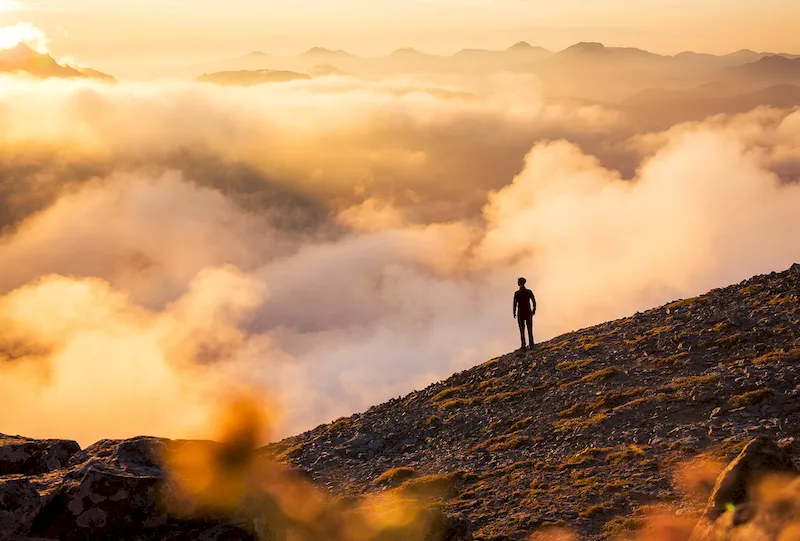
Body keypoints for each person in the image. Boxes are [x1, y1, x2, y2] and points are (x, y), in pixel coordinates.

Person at [513, 277, 536, 350]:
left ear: (519, 283)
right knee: (529, 329)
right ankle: (531, 344)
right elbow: (533, 301)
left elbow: (514, 304)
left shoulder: (517, 293)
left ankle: (523, 345)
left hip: (520, 313)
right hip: (528, 311)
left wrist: (514, 312)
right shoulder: (528, 291)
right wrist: (534, 309)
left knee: (522, 330)